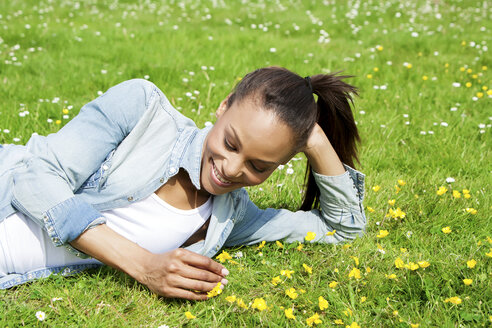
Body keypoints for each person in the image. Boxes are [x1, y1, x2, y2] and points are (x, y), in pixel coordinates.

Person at [0, 66, 366, 300]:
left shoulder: (228, 218)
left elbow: (342, 227)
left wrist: (314, 141)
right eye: (230, 142)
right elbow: (35, 179)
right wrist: (144, 265)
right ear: (223, 107)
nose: (230, 168)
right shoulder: (142, 110)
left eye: (258, 166)